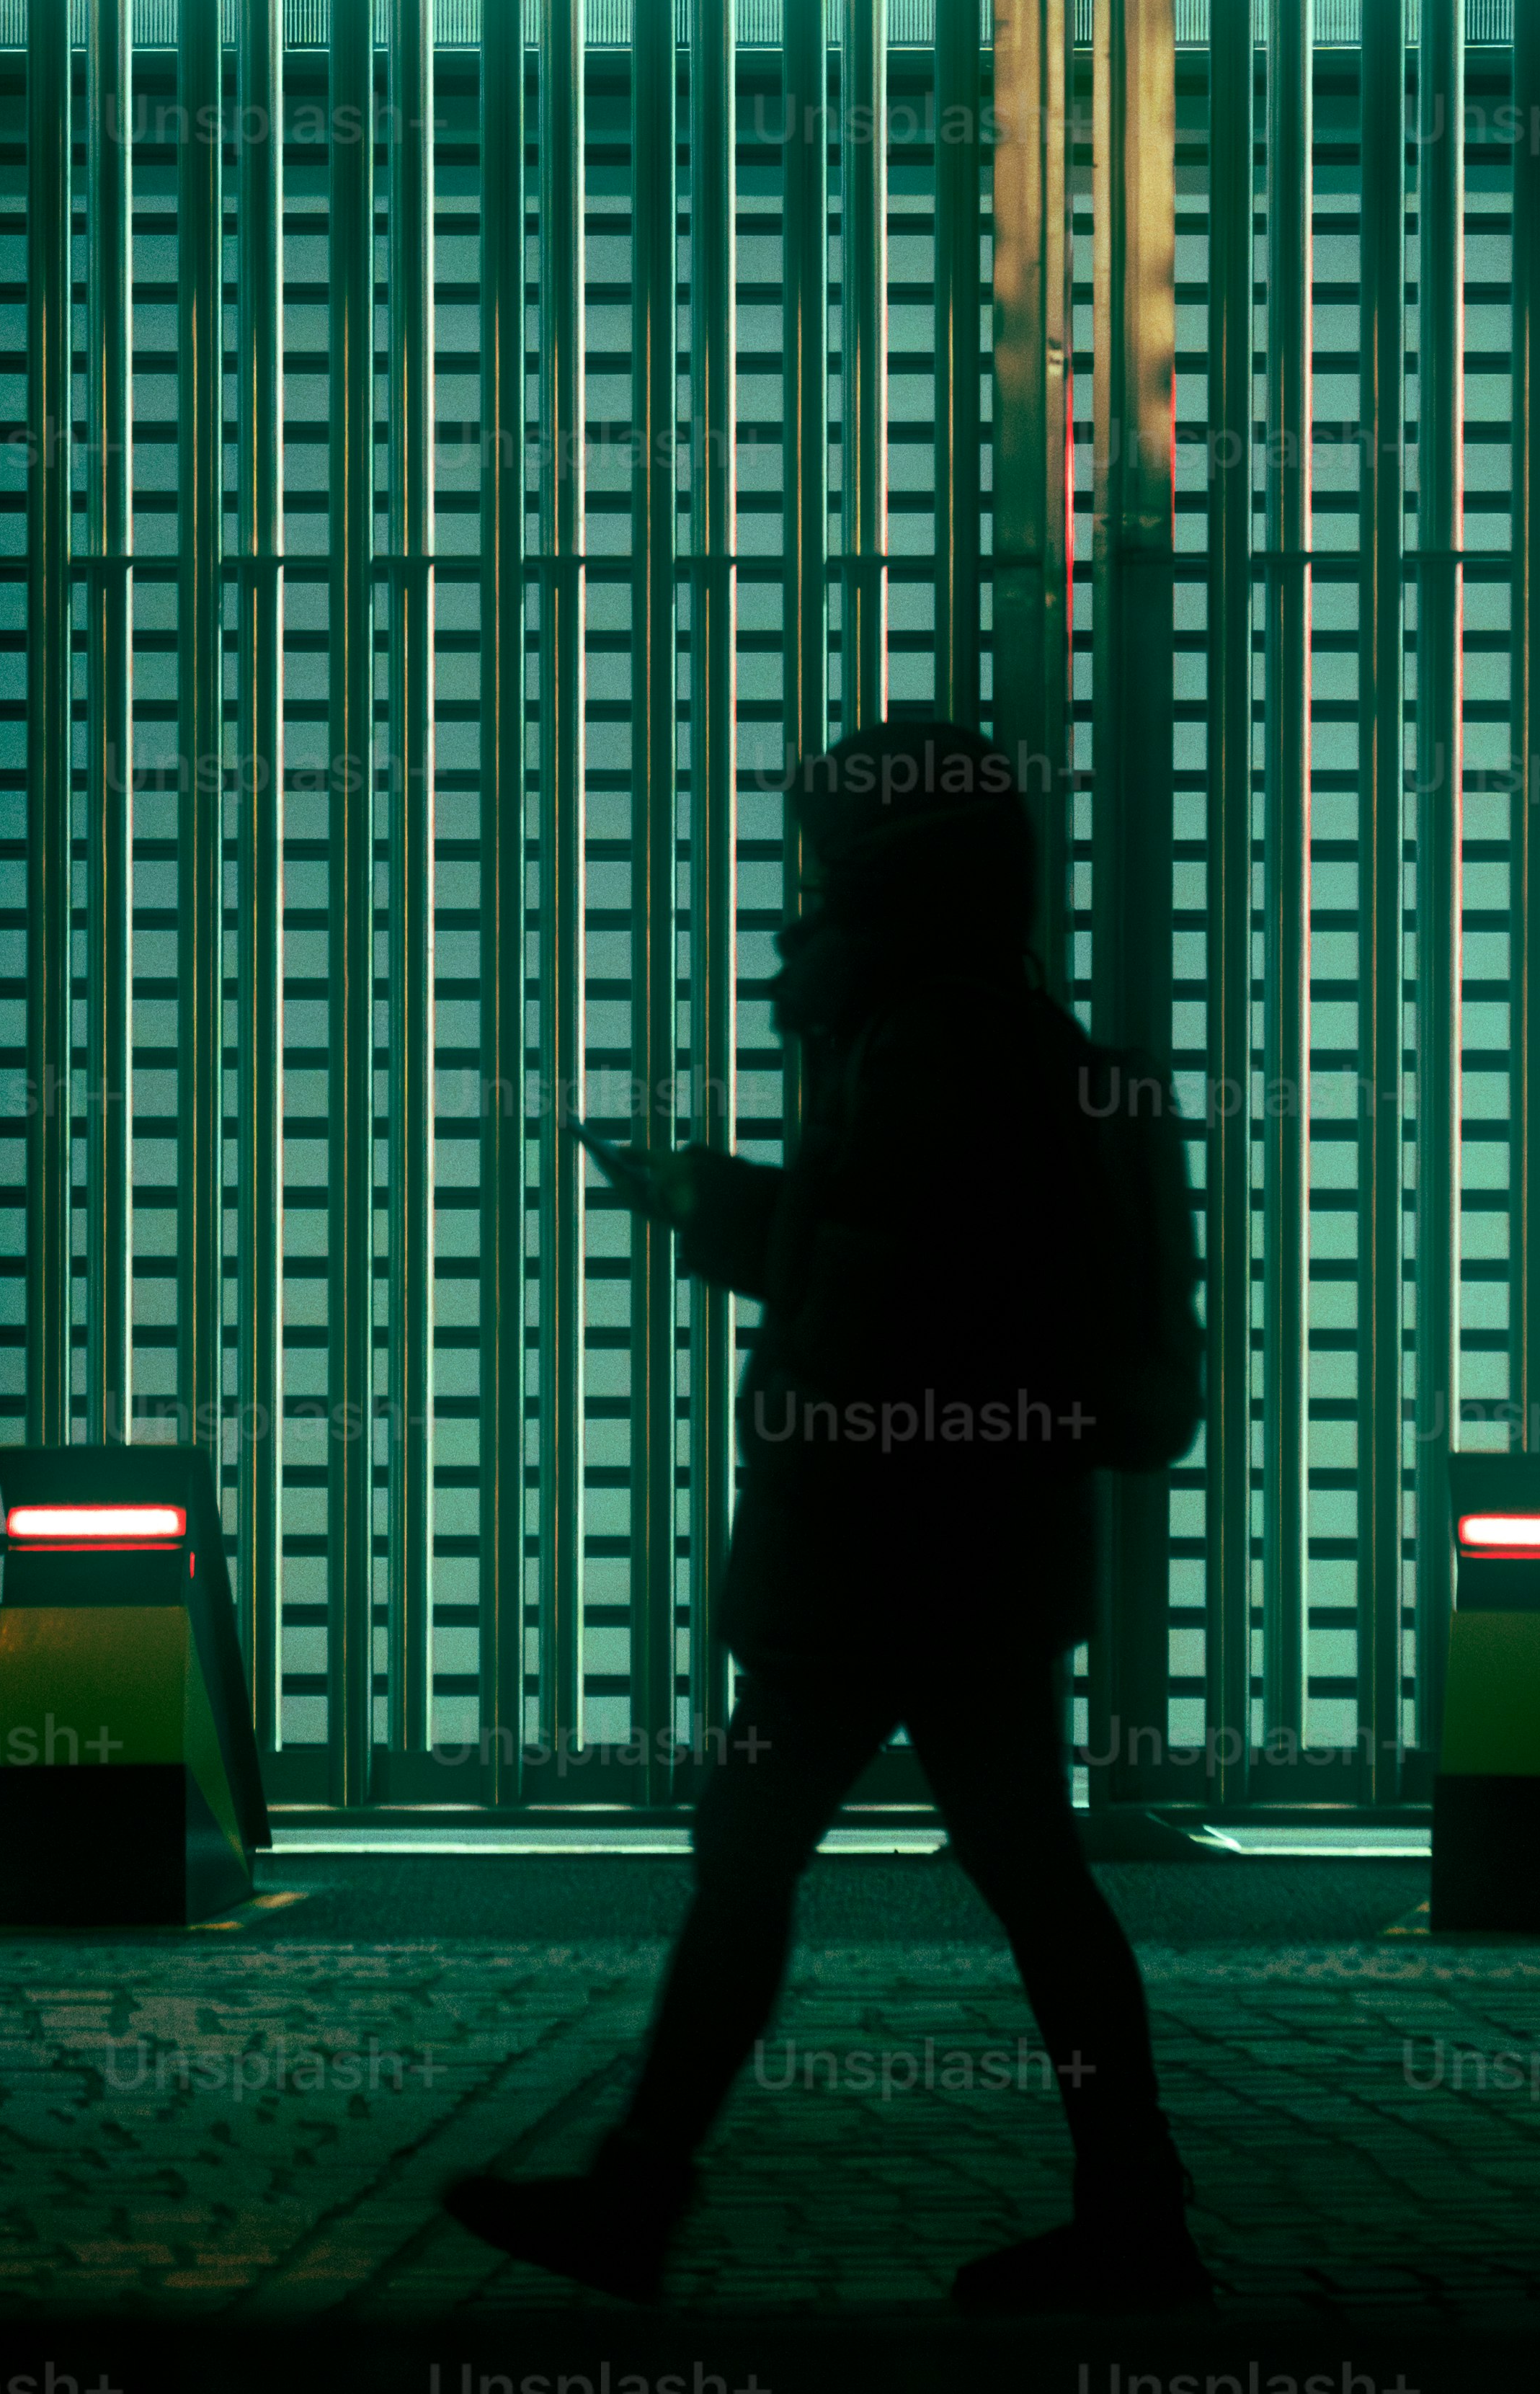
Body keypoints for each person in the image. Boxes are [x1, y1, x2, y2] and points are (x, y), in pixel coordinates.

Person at [442, 715, 1212, 2317]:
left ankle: (642, 2197)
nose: (805, 899)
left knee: (762, 1858)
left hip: (886, 1549)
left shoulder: (926, 1042)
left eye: (827, 861)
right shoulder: (1004, 1029)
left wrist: (716, 1209)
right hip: (973, 1545)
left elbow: (886, 1287)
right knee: (1019, 1875)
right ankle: (1130, 2210)